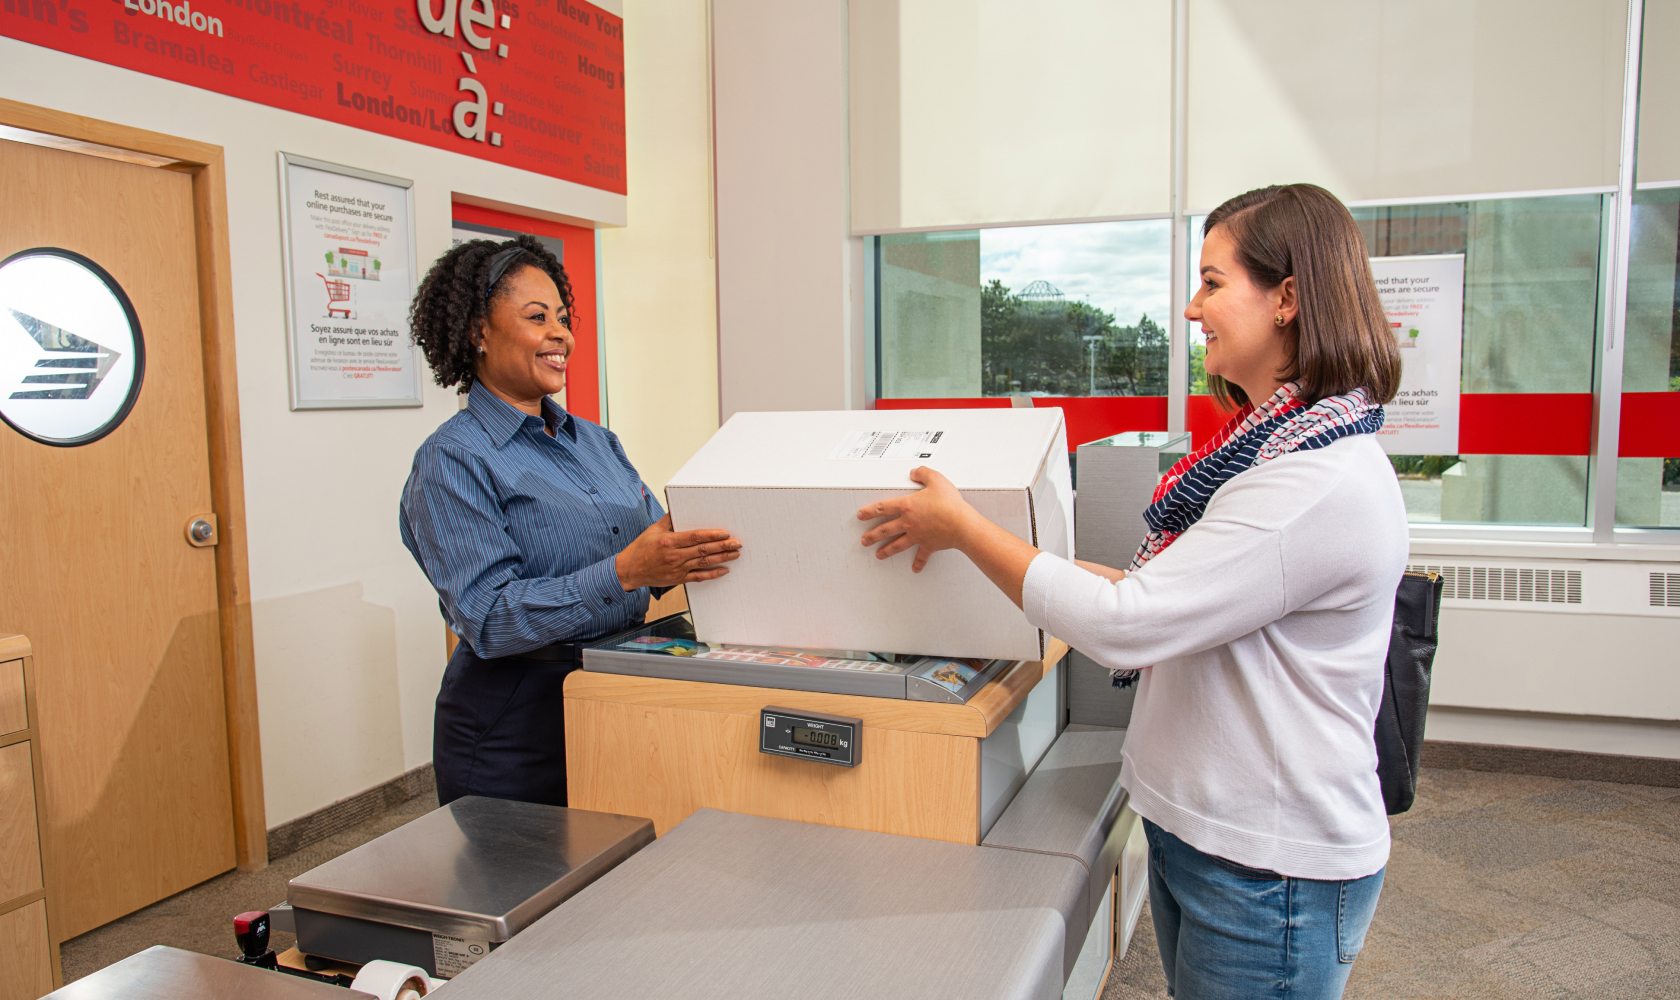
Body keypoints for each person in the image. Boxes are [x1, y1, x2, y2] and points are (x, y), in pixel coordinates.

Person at [858, 184, 1407, 999]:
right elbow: (1157, 592)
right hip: (1213, 838)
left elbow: (1126, 623)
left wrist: (970, 530)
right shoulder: (1276, 451)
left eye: (1213, 283)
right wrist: (997, 545)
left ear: (1288, 298)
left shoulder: (1311, 481)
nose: (1192, 308)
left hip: (1270, 868)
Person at [400, 234, 741, 808]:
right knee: (520, 891)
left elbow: (655, 554)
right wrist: (624, 572)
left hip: (612, 691)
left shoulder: (597, 442)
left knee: (610, 880)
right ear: (478, 332)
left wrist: (709, 543)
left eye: (563, 316)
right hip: (512, 721)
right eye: (538, 317)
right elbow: (486, 619)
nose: (562, 333)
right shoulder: (453, 459)